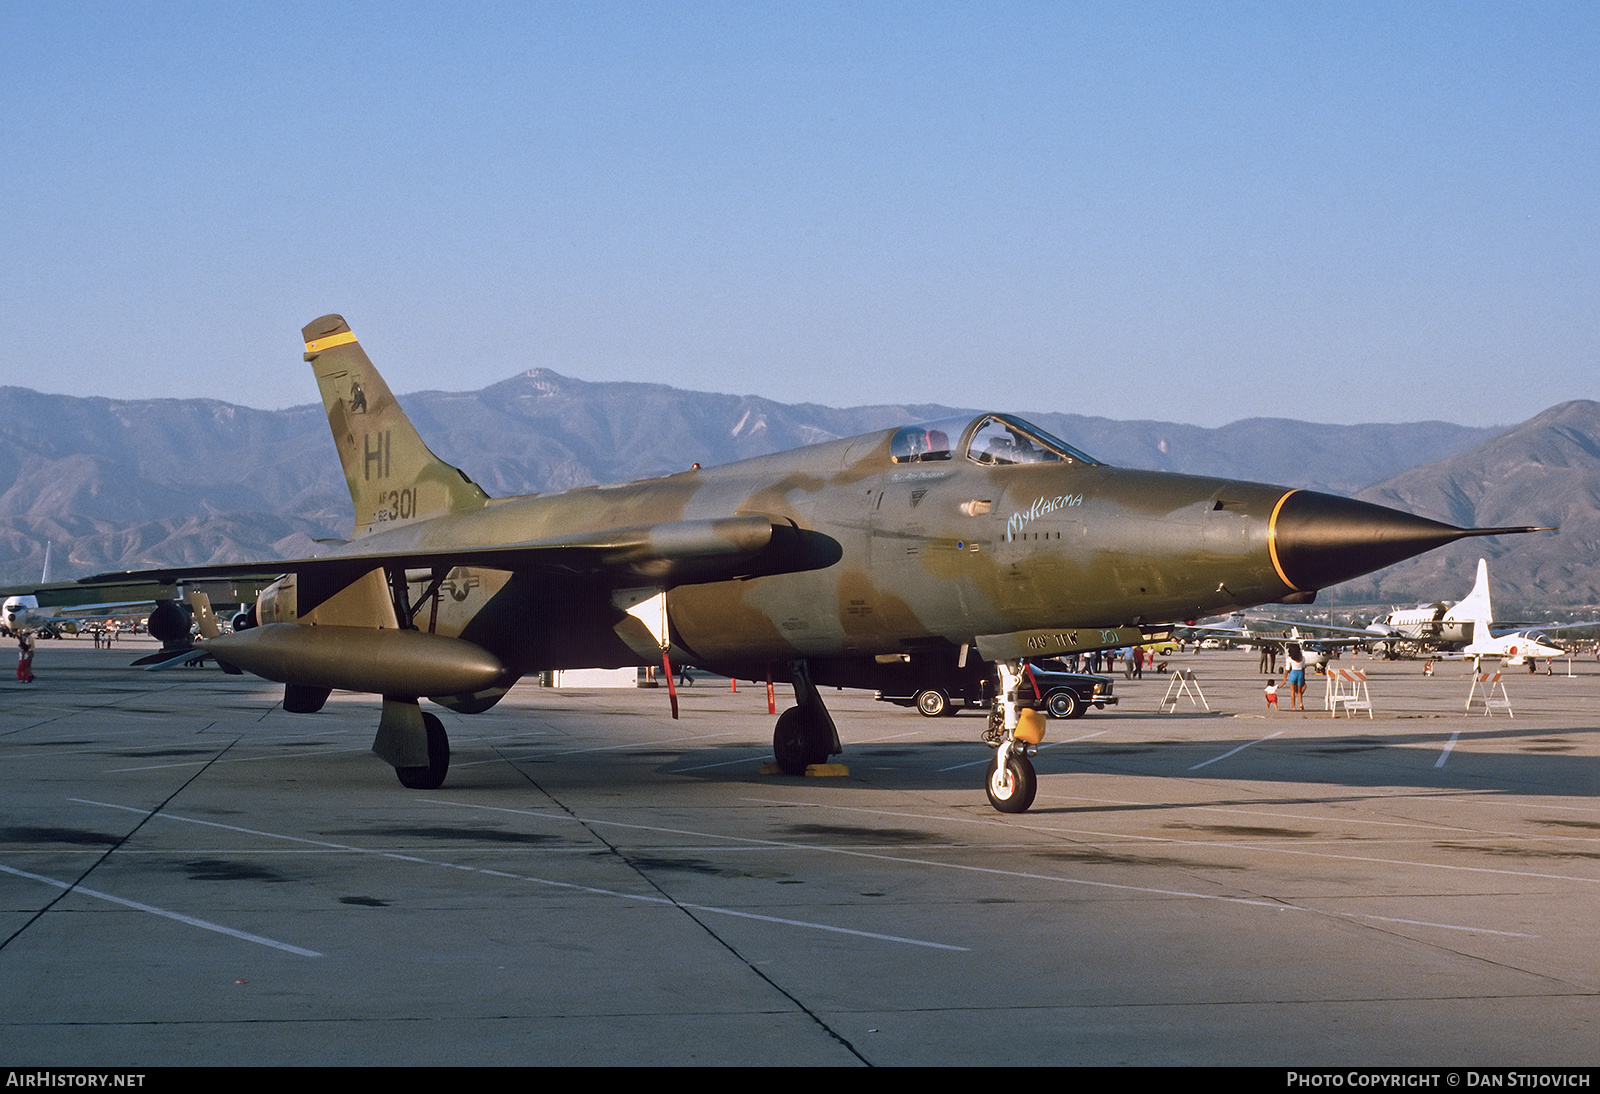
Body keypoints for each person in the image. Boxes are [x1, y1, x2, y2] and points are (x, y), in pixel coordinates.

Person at [1282, 642, 1306, 711]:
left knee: (1292, 691)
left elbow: (1287, 669)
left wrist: (1284, 678)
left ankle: (1293, 706)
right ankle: (1301, 703)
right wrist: (1303, 677)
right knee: (1299, 691)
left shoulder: (1289, 659)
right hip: (1300, 673)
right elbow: (1303, 668)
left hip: (1293, 673)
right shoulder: (1302, 658)